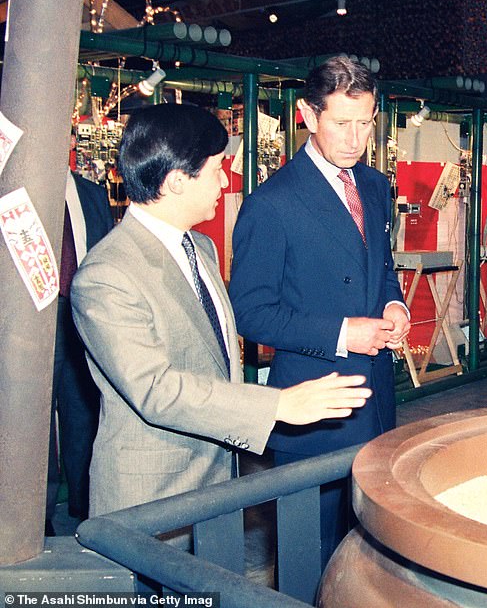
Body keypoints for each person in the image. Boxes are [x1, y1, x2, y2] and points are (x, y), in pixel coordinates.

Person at [70, 103, 371, 518]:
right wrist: (276, 406)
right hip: (153, 496)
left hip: (214, 483)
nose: (225, 179)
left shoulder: (201, 248)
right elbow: (156, 389)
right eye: (216, 170)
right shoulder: (108, 275)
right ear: (177, 181)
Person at [229, 56, 410, 568]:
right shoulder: (272, 203)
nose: (355, 139)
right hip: (314, 412)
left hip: (376, 405)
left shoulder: (374, 186)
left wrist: (393, 304)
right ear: (309, 116)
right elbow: (251, 311)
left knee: (367, 557)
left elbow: (381, 267)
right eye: (341, 123)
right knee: (310, 564)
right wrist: (341, 333)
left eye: (366, 123)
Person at [46, 168, 113, 535]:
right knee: (37, 419)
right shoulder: (24, 190)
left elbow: (104, 247)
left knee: (84, 408)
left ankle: (84, 503)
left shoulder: (92, 193)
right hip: (35, 321)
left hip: (84, 311)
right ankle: (39, 510)